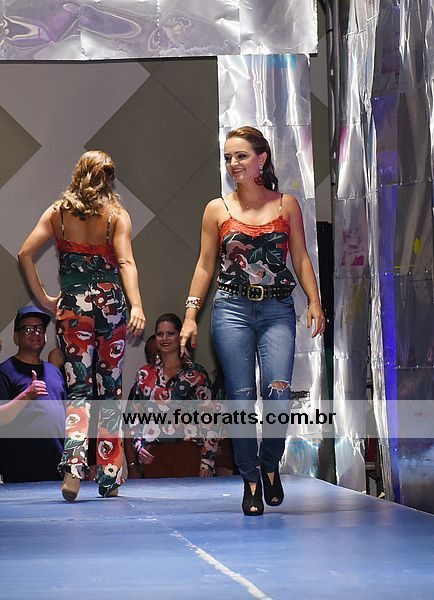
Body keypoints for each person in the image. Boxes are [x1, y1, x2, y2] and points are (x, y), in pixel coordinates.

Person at [180, 126, 325, 515]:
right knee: (240, 398)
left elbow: (301, 256)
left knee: (278, 393)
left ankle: (269, 463)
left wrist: (315, 301)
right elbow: (204, 265)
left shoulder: (286, 205)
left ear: (261, 158)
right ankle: (250, 480)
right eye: (228, 157)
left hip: (277, 308)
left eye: (241, 155)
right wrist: (190, 314)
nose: (233, 163)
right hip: (231, 309)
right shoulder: (216, 209)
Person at [18, 150, 146, 501]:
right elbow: (125, 262)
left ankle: (73, 468)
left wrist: (45, 299)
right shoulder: (116, 216)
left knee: (78, 389)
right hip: (110, 307)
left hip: (73, 308)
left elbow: (25, 253)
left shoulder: (57, 213)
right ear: (110, 179)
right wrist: (136, 304)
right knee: (110, 388)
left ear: (77, 174)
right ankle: (109, 475)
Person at [125, 313, 218, 479]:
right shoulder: (144, 374)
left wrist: (207, 460)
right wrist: (138, 446)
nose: (165, 338)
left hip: (187, 451)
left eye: (170, 333)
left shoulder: (197, 374)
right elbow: (134, 416)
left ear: (180, 335)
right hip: (153, 454)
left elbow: (210, 420)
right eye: (160, 334)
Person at [0, 306, 66, 483]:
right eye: (28, 329)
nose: (35, 333)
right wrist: (27, 395)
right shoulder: (4, 372)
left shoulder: (54, 371)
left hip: (58, 469)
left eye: (40, 328)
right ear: (16, 337)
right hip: (22, 471)